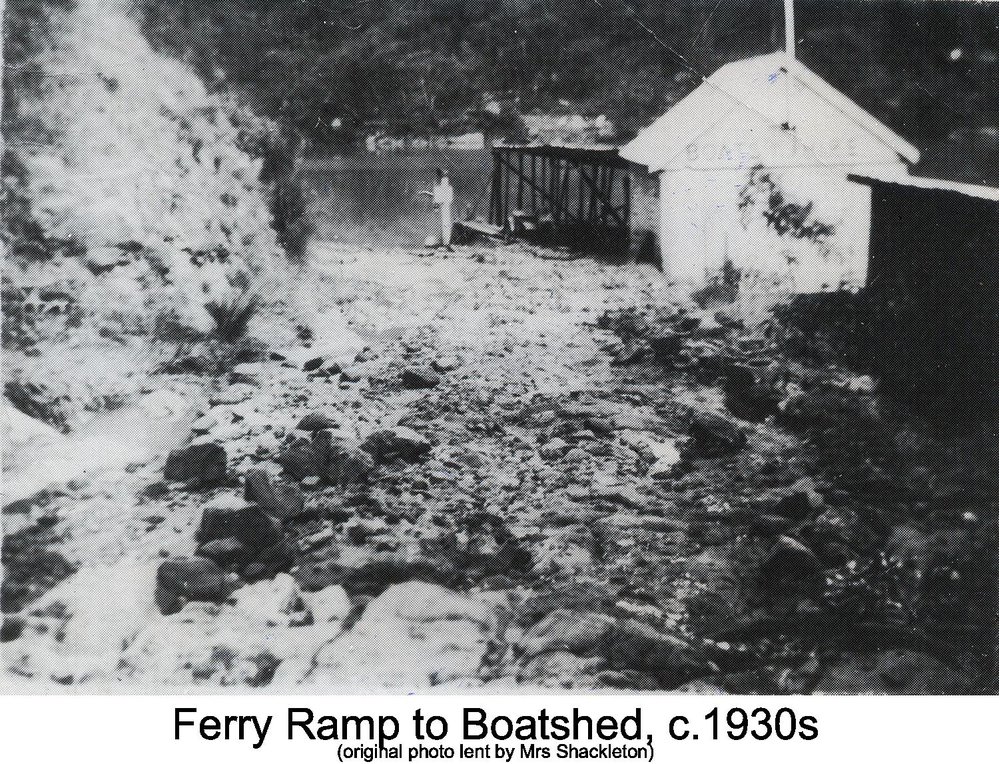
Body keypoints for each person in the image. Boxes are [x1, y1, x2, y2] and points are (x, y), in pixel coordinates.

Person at [420, 168, 454, 250]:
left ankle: (445, 243)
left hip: (444, 207)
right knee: (445, 224)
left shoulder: (443, 185)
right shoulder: (443, 185)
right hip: (444, 207)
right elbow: (438, 198)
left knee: (445, 224)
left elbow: (438, 198)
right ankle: (445, 242)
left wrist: (436, 207)